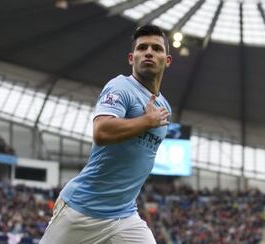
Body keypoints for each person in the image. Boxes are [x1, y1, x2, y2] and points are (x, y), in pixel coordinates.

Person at [40, 24, 173, 244]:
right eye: (142, 48)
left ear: (167, 60)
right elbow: (101, 131)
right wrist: (146, 121)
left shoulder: (164, 106)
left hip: (124, 216)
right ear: (132, 58)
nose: (149, 52)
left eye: (157, 48)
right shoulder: (120, 87)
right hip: (82, 211)